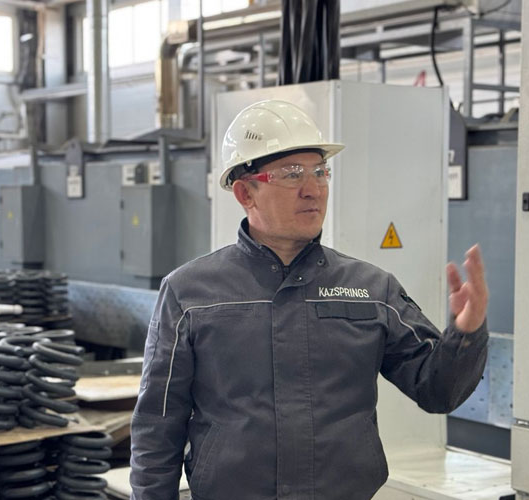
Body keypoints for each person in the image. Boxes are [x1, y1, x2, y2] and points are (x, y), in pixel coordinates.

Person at [130, 100, 489, 500]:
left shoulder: (372, 290)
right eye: (291, 174)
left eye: (320, 172)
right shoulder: (189, 294)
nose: (313, 189)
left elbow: (437, 390)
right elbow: (157, 427)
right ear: (245, 192)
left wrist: (466, 333)